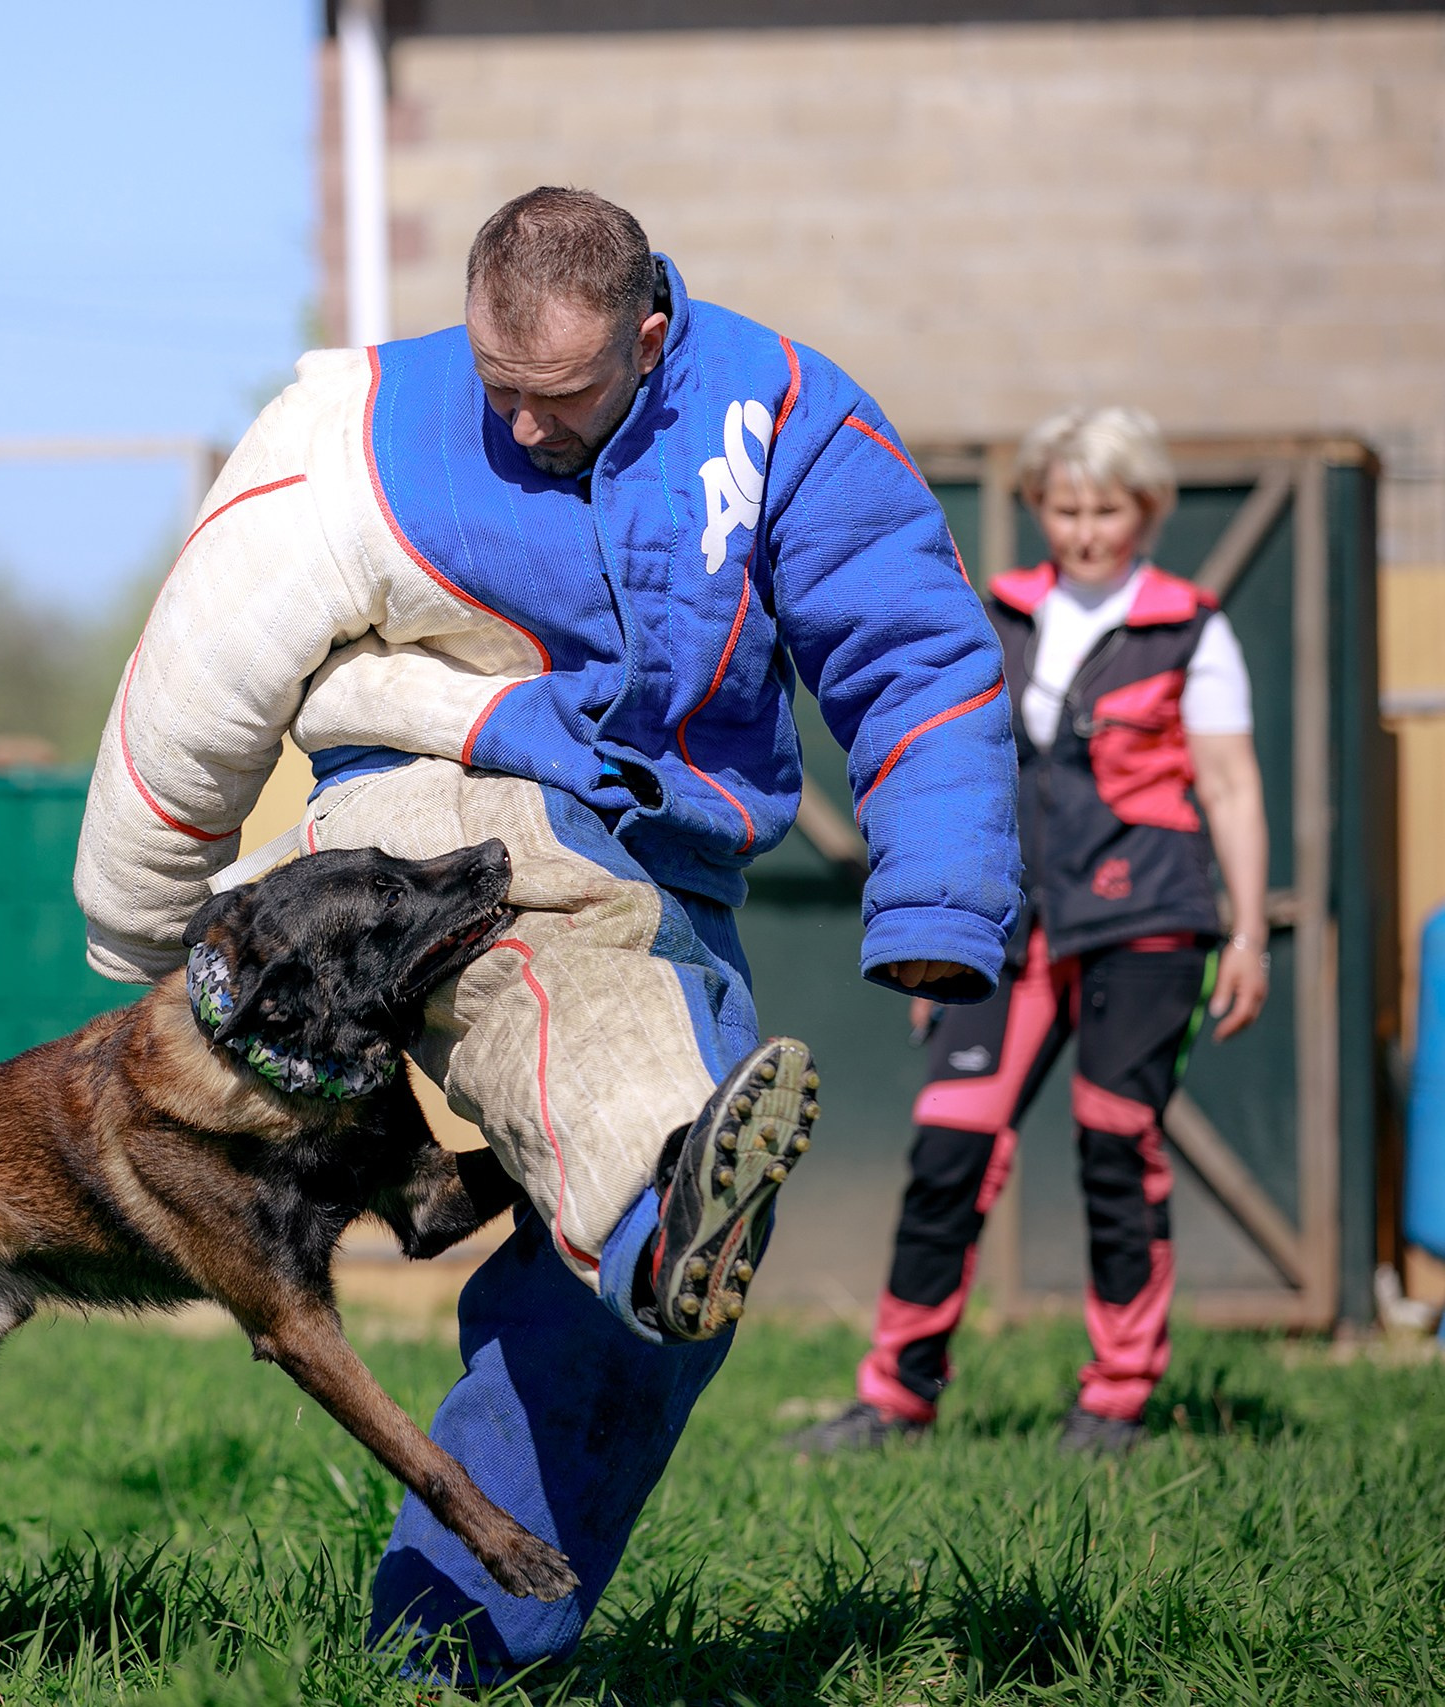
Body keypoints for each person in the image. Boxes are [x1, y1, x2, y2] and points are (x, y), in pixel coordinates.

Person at [73, 187, 1021, 1678]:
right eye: (496, 389)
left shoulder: (785, 418)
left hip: (667, 863)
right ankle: (651, 1202)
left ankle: (451, 1645)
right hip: (426, 801)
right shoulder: (365, 421)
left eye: (558, 398)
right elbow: (204, 660)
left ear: (650, 336)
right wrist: (138, 937)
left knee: (645, 1313)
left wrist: (941, 896)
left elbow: (911, 647)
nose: (516, 429)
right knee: (547, 972)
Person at [794, 406, 1270, 1459]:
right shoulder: (995, 616)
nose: (1087, 528)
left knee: (1115, 1144)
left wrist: (1247, 936)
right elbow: (954, 769)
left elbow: (1230, 787)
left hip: (1148, 922)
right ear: (1039, 510)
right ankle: (894, 1397)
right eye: (1066, 507)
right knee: (950, 1143)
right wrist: (944, 934)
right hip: (1011, 931)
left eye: (1107, 508)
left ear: (1145, 511)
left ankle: (1114, 1400)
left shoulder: (1192, 626)